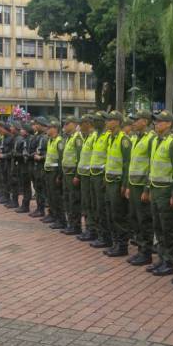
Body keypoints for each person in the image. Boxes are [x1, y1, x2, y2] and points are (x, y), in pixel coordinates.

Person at [147, 110, 173, 276]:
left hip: (166, 190)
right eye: (156, 121)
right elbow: (153, 167)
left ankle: (169, 262)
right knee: (158, 227)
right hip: (155, 188)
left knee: (168, 228)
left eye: (160, 121)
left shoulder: (172, 143)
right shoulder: (155, 141)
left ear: (168, 124)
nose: (156, 124)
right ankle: (161, 258)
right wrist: (149, 188)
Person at [125, 110, 155, 266]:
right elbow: (132, 164)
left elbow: (152, 165)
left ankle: (146, 253)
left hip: (143, 186)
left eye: (137, 120)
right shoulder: (136, 137)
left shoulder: (151, 138)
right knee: (135, 219)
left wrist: (147, 189)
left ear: (145, 121)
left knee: (145, 220)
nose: (134, 122)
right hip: (134, 185)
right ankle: (140, 250)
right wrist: (128, 185)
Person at [102, 110, 132, 257]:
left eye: (110, 120)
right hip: (109, 181)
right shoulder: (110, 138)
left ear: (118, 122)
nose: (107, 122)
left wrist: (125, 185)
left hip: (117, 182)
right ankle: (115, 243)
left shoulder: (123, 139)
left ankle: (122, 246)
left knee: (118, 214)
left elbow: (127, 164)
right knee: (110, 214)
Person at [88, 111, 112, 248]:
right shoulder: (95, 135)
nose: (94, 122)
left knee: (102, 207)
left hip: (101, 176)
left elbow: (109, 157)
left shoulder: (107, 136)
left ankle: (105, 237)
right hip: (93, 175)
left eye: (97, 120)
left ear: (104, 121)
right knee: (95, 206)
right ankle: (98, 233)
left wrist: (104, 176)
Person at [60, 116, 83, 235]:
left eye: (66, 124)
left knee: (74, 200)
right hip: (66, 173)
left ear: (73, 124)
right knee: (67, 199)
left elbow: (80, 158)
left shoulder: (77, 138)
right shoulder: (69, 138)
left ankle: (76, 226)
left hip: (72, 173)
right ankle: (70, 224)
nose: (64, 126)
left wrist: (77, 175)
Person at [75, 115, 97, 240]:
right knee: (86, 203)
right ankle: (89, 228)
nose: (79, 126)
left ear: (88, 123)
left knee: (89, 204)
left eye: (81, 123)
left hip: (90, 176)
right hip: (84, 175)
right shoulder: (87, 137)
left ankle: (92, 229)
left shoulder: (93, 137)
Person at [42, 119, 66, 229]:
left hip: (55, 172)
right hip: (49, 171)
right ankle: (54, 216)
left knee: (57, 197)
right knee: (51, 196)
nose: (47, 129)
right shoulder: (51, 140)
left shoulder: (59, 141)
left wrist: (59, 176)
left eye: (49, 128)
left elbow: (61, 160)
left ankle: (61, 220)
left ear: (55, 129)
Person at [29, 118, 48, 217]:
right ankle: (39, 208)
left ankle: (41, 209)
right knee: (37, 188)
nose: (35, 126)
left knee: (41, 188)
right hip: (36, 165)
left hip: (42, 166)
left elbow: (49, 153)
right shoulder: (37, 136)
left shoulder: (46, 137)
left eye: (37, 124)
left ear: (42, 125)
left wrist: (41, 157)